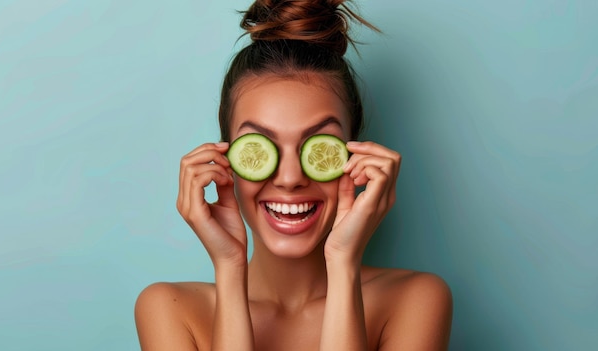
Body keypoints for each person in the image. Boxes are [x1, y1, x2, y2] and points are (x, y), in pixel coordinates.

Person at [135, 0, 453, 350]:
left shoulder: (416, 299)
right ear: (225, 159)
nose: (289, 178)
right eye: (257, 148)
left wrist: (344, 264)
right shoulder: (169, 308)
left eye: (320, 146)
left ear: (356, 154)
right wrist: (229, 267)